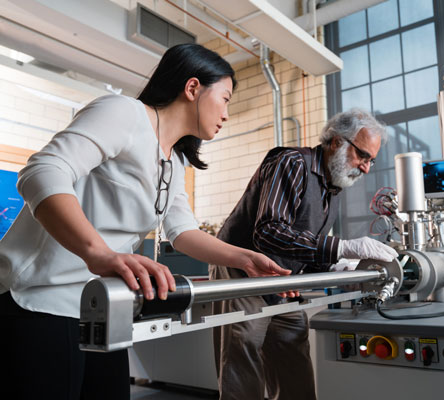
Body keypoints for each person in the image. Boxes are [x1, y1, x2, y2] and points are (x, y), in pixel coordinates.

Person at [0, 43, 292, 400]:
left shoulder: (174, 161)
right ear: (193, 88)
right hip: (40, 299)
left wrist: (245, 259)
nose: (226, 113)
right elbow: (43, 171)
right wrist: (99, 253)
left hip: (101, 306)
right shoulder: (124, 113)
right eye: (226, 98)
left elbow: (182, 233)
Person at [210, 108, 398, 400]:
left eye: (371, 160)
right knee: (243, 353)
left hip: (282, 279)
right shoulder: (292, 162)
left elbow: (303, 245)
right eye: (362, 155)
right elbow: (269, 231)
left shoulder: (333, 188)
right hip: (242, 267)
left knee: (293, 347)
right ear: (337, 142)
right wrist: (340, 247)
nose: (366, 168)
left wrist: (336, 268)